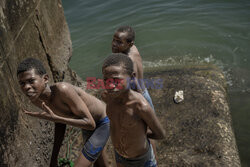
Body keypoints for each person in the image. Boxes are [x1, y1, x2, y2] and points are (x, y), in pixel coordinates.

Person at [17, 58, 110, 167]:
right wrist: (53, 158)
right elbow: (59, 123)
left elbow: (90, 123)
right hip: (87, 126)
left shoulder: (63, 90)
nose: (26, 87)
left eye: (31, 81)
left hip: (103, 121)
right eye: (22, 83)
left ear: (45, 78)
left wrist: (56, 118)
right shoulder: (36, 100)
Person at [102, 53, 165, 167]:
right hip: (120, 156)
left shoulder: (140, 106)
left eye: (116, 80)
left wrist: (140, 134)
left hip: (141, 160)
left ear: (132, 77)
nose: (111, 85)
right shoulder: (108, 98)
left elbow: (160, 134)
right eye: (106, 80)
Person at [111, 25, 154, 110]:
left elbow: (134, 83)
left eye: (119, 42)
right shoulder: (133, 48)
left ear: (130, 44)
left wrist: (140, 101)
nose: (114, 44)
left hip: (138, 96)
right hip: (144, 92)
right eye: (114, 40)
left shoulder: (126, 61)